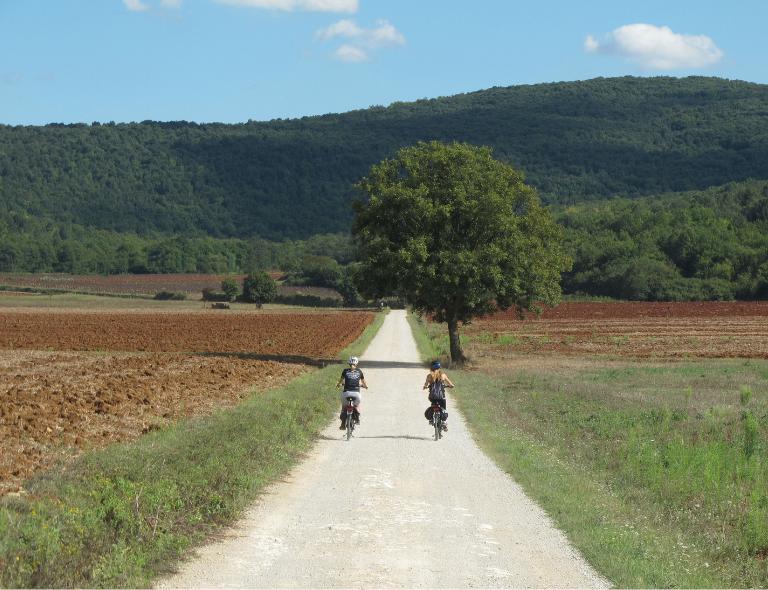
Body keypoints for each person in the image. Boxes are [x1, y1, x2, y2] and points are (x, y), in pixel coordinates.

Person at [336, 356, 368, 430]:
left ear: (349, 364)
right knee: (357, 405)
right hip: (356, 394)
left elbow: (341, 381)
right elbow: (363, 382)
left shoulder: (345, 371)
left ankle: (343, 424)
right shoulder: (359, 371)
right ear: (357, 364)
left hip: (346, 394)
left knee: (344, 408)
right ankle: (357, 418)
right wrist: (365, 386)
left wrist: (338, 385)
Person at [423, 360, 454, 431]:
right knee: (443, 409)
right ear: (439, 367)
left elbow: (425, 385)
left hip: (432, 397)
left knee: (433, 405)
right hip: (441, 397)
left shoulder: (429, 376)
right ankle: (444, 422)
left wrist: (425, 387)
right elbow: (451, 384)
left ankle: (431, 419)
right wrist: (451, 386)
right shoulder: (443, 375)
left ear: (431, 368)